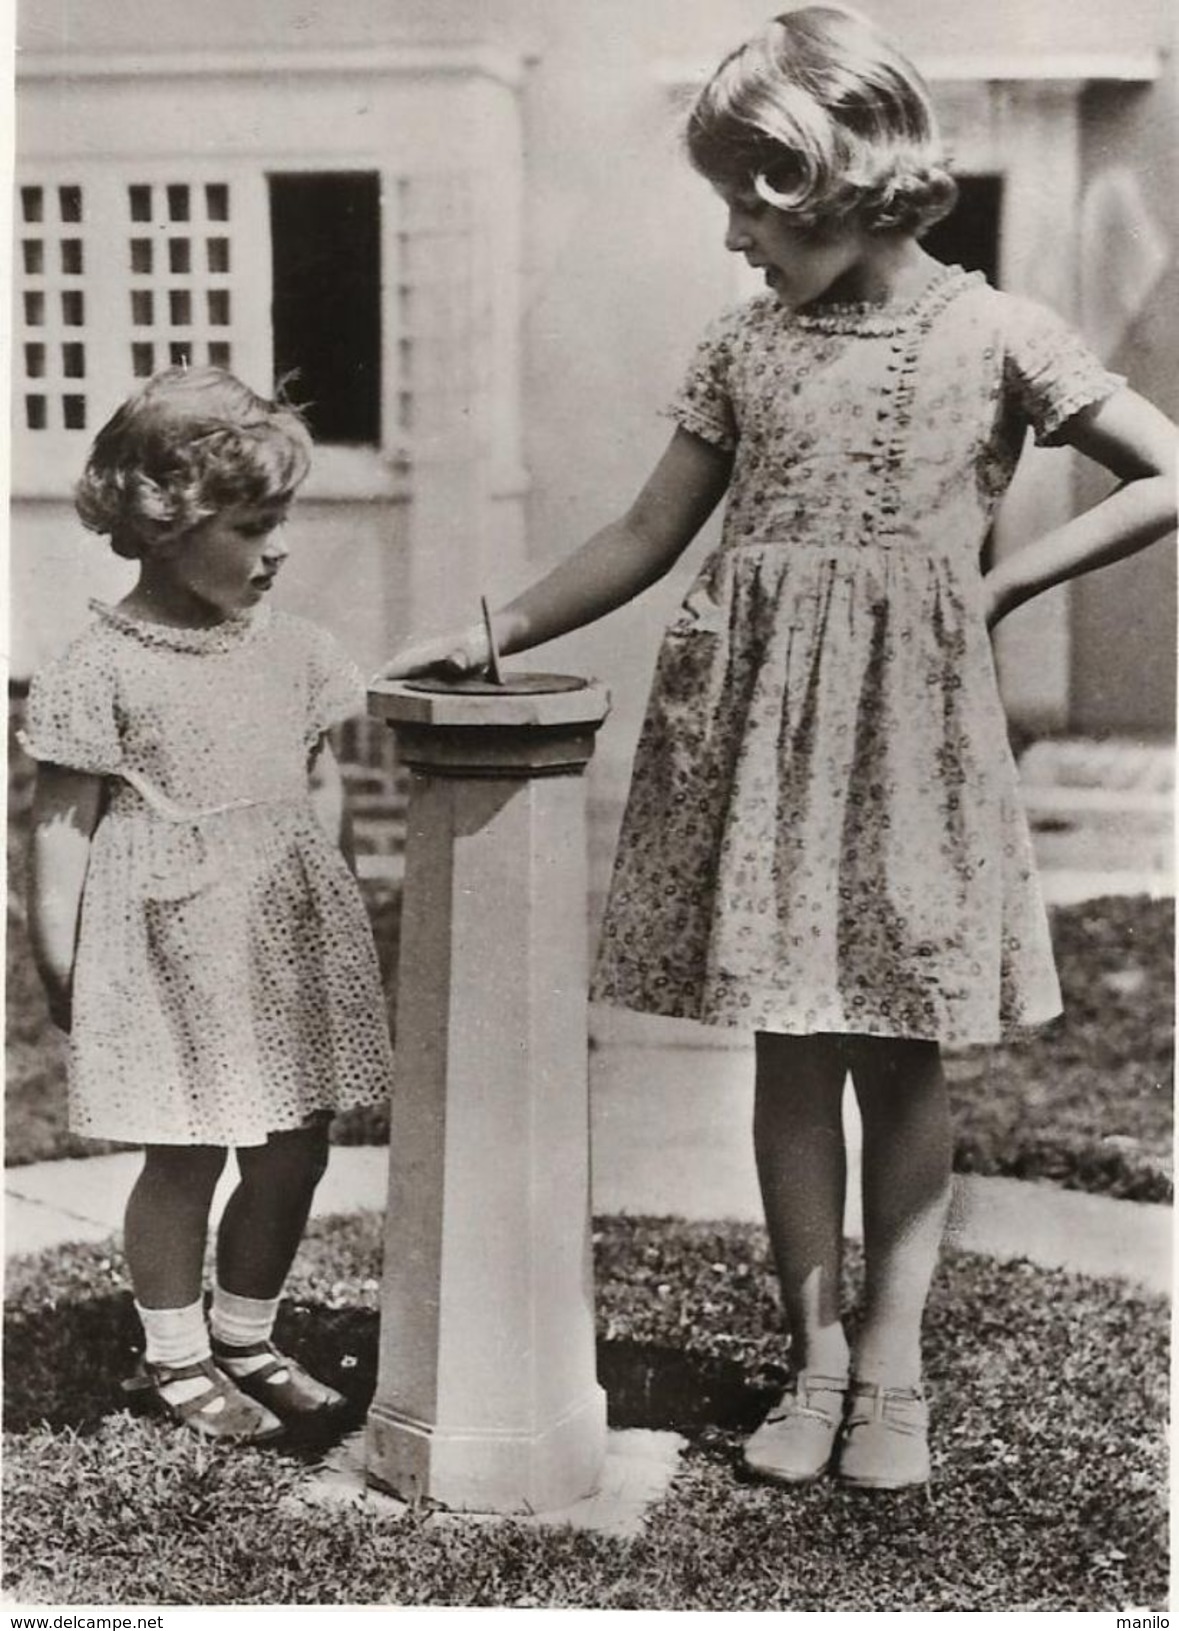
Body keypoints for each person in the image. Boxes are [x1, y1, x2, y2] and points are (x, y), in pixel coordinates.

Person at [379, 6, 1177, 1489]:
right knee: (790, 1034)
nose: (735, 236)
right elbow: (640, 531)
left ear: (831, 178)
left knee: (899, 1035)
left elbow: (1162, 469)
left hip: (908, 732)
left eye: (750, 199)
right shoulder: (740, 346)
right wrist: (495, 630)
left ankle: (892, 1364)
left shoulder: (999, 333)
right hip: (757, 727)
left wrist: (999, 584)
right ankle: (809, 1353)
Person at [24, 366, 394, 1444]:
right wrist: (64, 965)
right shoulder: (99, 669)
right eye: (252, 525)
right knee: (185, 1149)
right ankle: (176, 1354)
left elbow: (319, 783)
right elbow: (60, 836)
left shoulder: (298, 651)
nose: (277, 547)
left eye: (282, 522)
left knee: (294, 1143)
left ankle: (247, 1332)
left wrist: (337, 901)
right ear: (165, 521)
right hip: (162, 951)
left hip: (281, 947)